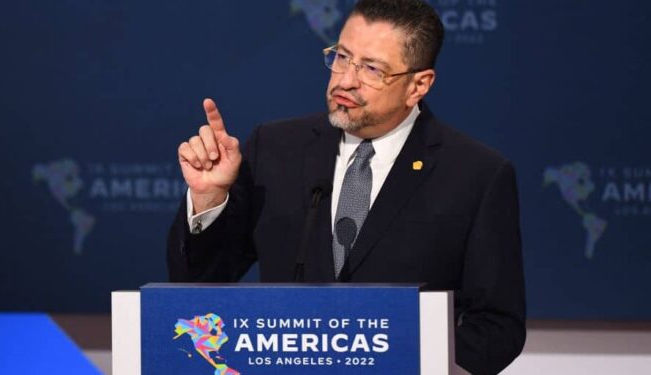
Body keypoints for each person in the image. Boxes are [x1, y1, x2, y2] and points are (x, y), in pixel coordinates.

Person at [167, 0, 526, 373]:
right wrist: (209, 198)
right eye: (341, 57)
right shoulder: (275, 149)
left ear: (418, 85)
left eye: (371, 69)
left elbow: (498, 325)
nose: (345, 80)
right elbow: (197, 285)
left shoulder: (475, 174)